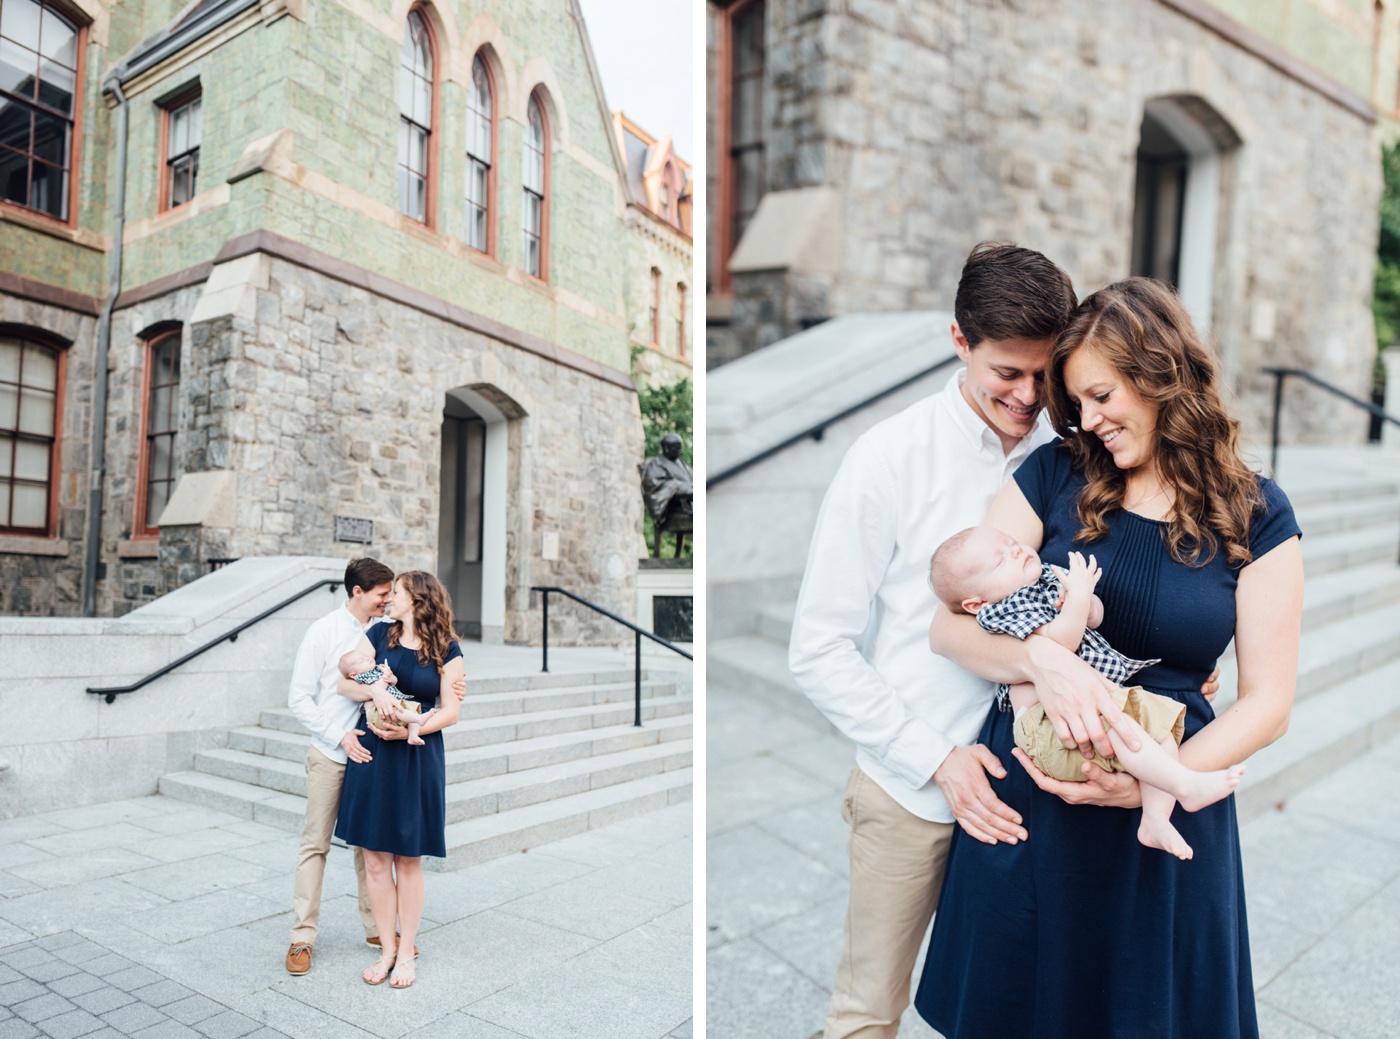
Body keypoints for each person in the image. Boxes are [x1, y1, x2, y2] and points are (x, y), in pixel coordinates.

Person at [914, 278, 1303, 1038]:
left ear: (1157, 373)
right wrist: (1044, 660)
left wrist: (1152, 783)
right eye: (1076, 403)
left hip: (1161, 799)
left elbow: (1268, 700)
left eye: (1100, 395)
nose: (1086, 420)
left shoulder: (1260, 511)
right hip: (1036, 810)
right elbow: (950, 628)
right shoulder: (1058, 471)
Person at [787, 242, 1079, 1039]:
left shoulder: (1078, 459)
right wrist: (934, 759)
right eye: (1007, 374)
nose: (1029, 396)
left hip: (1041, 791)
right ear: (959, 341)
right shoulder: (886, 457)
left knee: (1021, 1010)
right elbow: (817, 647)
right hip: (913, 788)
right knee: (866, 1012)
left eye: (1045, 374)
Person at [929, 526, 1244, 858]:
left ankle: (1155, 819)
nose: (1017, 551)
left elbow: (1093, 619)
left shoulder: (1047, 579)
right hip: (1048, 727)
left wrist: (1087, 602)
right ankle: (1184, 785)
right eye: (1000, 561)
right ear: (975, 603)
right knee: (1125, 730)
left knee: (1160, 731)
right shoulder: (1002, 610)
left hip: (1084, 707)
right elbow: (1061, 642)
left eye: (1012, 542)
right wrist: (1077, 599)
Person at [334, 569, 464, 990]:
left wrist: (414, 727)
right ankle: (387, 947)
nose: (390, 599)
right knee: (374, 859)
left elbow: (450, 711)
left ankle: (407, 950)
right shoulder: (377, 636)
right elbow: (344, 683)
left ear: (418, 599)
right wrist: (375, 692)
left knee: (408, 859)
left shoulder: (448, 647)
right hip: (373, 756)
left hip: (415, 755)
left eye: (399, 593)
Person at [284, 557, 394, 977]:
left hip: (375, 758)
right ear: (358, 592)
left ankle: (377, 931)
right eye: (382, 594)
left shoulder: (388, 633)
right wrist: (338, 735)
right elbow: (299, 698)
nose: (388, 600)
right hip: (331, 754)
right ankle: (301, 938)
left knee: (372, 848)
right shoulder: (323, 632)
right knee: (316, 844)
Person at [338, 650, 434, 744]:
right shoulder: (362, 677)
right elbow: (378, 690)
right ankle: (419, 719)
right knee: (400, 712)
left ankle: (413, 735)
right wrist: (385, 678)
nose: (368, 659)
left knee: (411, 711)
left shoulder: (377, 669)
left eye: (366, 656)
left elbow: (394, 682)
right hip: (378, 712)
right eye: (362, 661)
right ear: (353, 674)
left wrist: (391, 677)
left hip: (390, 705)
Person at [639, 432, 693, 557]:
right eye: (676, 447)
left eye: (681, 446)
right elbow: (657, 487)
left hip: (688, 507)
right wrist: (682, 488)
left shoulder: (682, 464)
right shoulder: (655, 465)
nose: (680, 450)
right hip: (671, 512)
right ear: (666, 448)